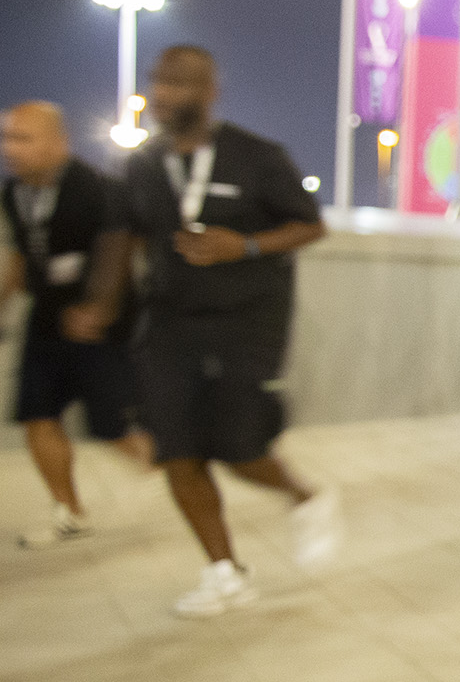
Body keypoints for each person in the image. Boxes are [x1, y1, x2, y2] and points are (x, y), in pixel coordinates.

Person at [121, 46, 341, 615]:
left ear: (209, 90)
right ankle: (224, 571)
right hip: (170, 326)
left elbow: (311, 226)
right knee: (178, 452)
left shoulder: (256, 158)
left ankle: (304, 497)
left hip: (247, 324)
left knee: (240, 450)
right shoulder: (144, 166)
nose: (166, 94)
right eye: (160, 82)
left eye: (181, 83)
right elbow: (128, 242)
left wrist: (241, 245)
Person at [2, 101, 146, 546]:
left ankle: (180, 461)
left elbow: (121, 244)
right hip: (47, 321)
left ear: (58, 143)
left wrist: (99, 308)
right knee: (37, 415)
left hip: (102, 327)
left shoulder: (96, 188)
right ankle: (69, 511)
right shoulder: (13, 193)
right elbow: (21, 256)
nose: (11, 148)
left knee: (112, 430)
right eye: (7, 138)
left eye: (23, 138)